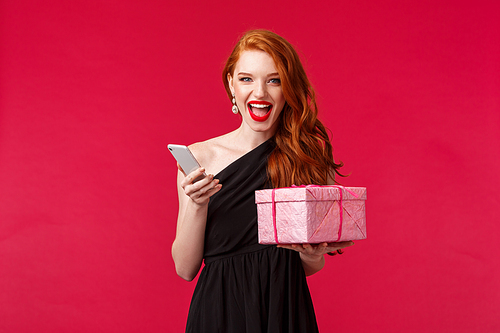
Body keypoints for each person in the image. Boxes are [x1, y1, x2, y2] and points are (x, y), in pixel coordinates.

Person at [172, 29, 354, 333]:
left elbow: (310, 265)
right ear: (231, 84)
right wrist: (197, 203)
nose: (260, 93)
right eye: (246, 79)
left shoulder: (307, 158)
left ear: (289, 88)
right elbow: (185, 268)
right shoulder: (199, 157)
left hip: (285, 309)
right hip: (221, 312)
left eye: (274, 80)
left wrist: (314, 254)